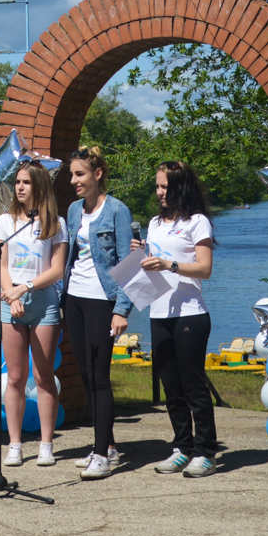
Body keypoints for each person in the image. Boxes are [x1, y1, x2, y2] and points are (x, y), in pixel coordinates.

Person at [132, 161, 218, 478]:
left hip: (190, 313)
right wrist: (141, 253)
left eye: (165, 186)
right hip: (159, 311)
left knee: (193, 385)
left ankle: (206, 451)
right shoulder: (155, 222)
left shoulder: (197, 222)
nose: (159, 192)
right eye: (157, 186)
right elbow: (152, 263)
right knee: (171, 386)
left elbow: (205, 269)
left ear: (180, 187)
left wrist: (170, 264)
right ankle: (182, 447)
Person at [61, 145, 135, 480]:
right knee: (87, 376)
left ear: (97, 175)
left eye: (80, 174)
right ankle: (105, 445)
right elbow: (71, 258)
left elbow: (129, 265)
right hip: (74, 297)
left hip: (102, 301)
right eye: (72, 175)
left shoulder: (117, 210)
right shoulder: (74, 209)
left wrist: (121, 310)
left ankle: (102, 454)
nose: (74, 180)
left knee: (101, 377)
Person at [0, 161, 67, 468]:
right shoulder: (6, 222)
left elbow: (56, 270)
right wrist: (11, 297)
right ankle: (14, 445)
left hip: (43, 303)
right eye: (17, 182)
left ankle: (46, 445)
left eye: (26, 182)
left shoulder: (56, 224)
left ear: (40, 187)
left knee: (43, 376)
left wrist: (23, 288)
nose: (20, 187)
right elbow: (1, 265)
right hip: (11, 303)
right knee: (15, 377)